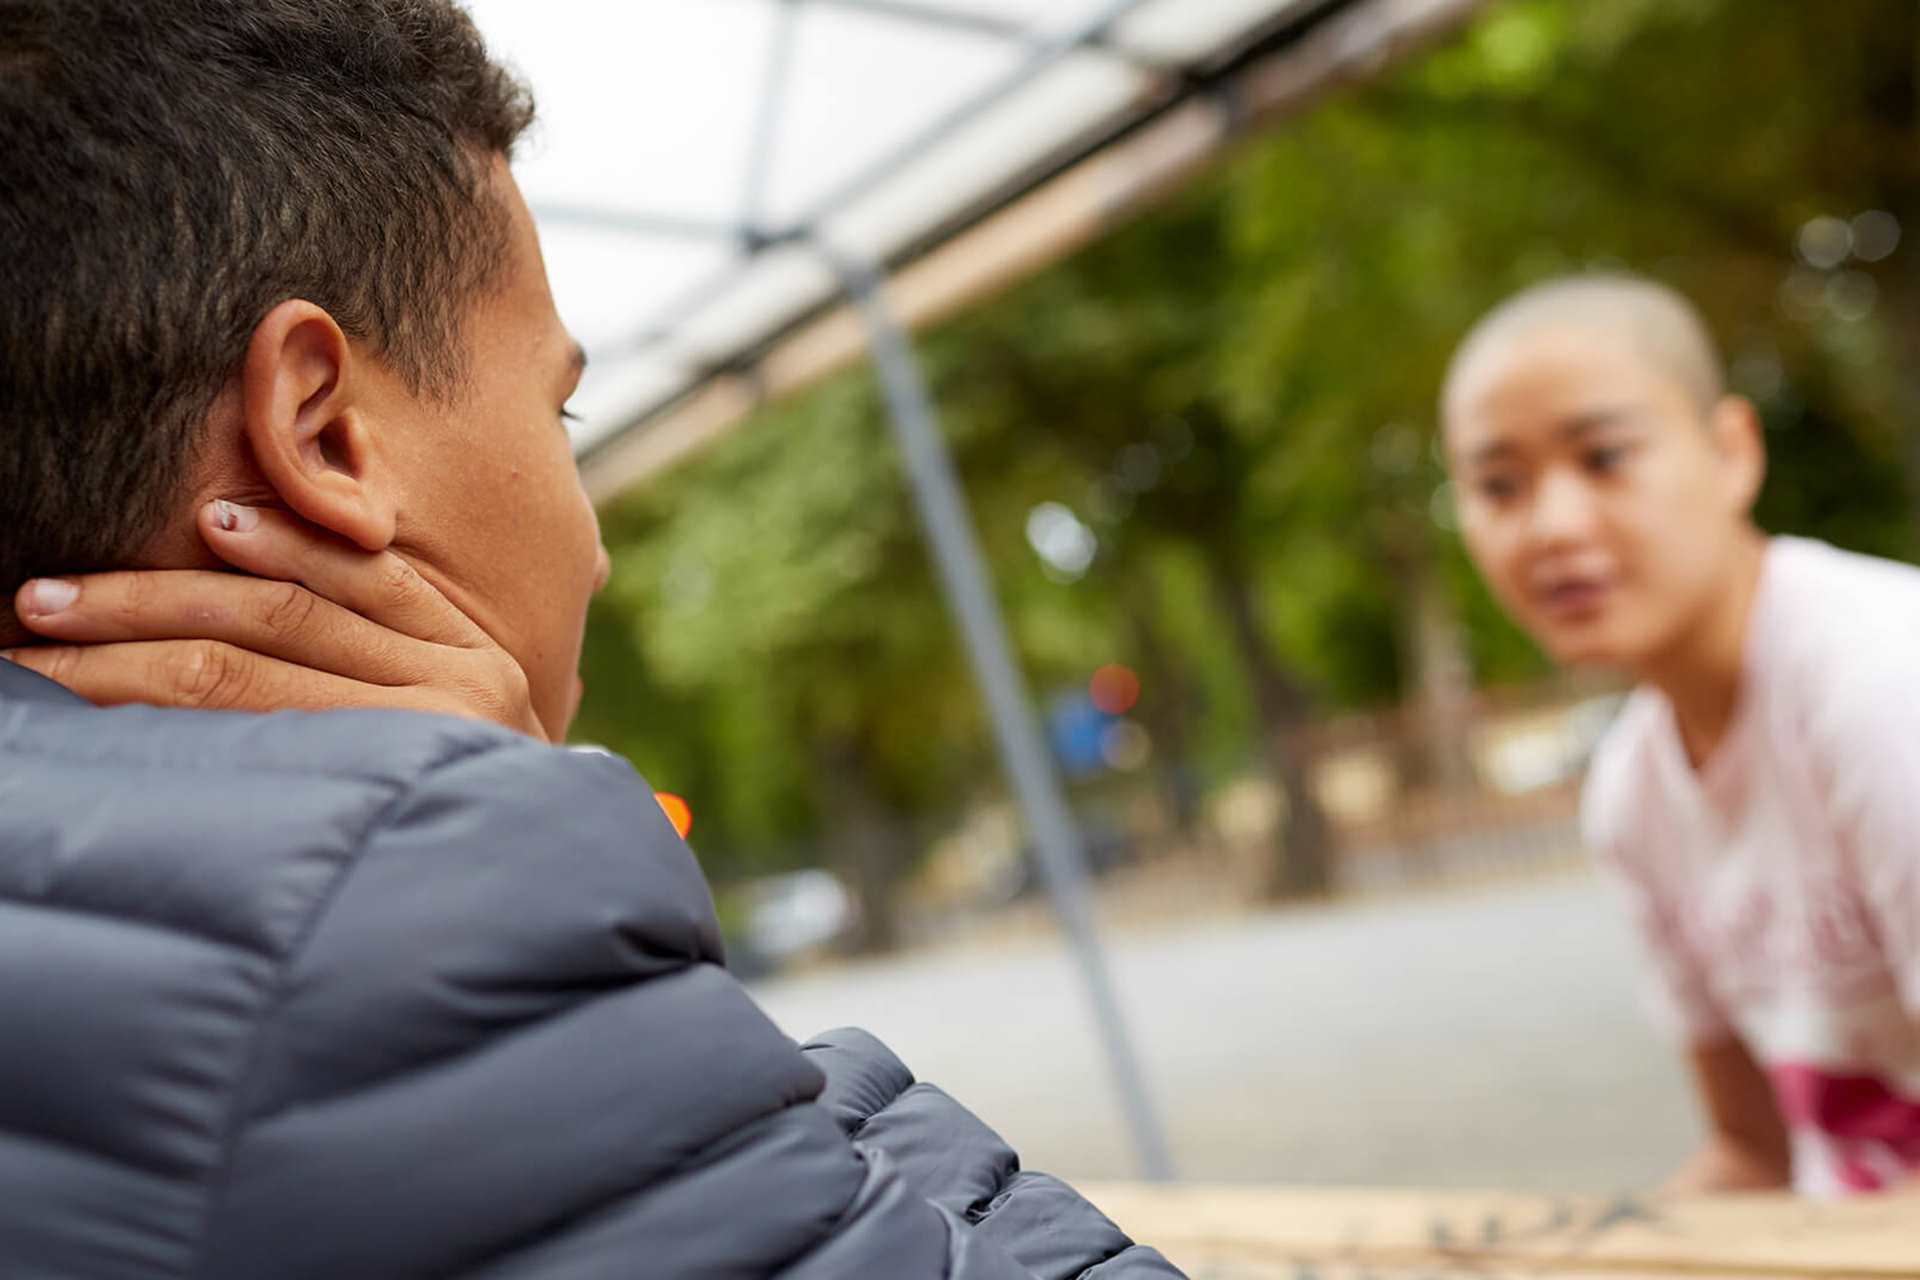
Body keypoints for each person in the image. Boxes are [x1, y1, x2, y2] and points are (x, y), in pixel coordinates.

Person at [0, 2, 1184, 1275]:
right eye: (560, 406)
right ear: (326, 432)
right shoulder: (405, 910)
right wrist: (506, 828)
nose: (600, 544)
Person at [1442, 272, 1920, 1198]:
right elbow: (1754, 1153)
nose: (1554, 525)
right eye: (1500, 485)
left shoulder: (1884, 685)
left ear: (1732, 451)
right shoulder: (1631, 792)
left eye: (1605, 457)